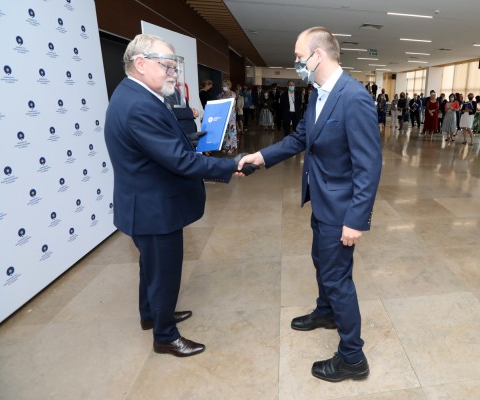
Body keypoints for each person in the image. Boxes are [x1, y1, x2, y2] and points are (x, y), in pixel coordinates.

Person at [237, 26, 381, 383]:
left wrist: (356, 220)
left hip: (342, 209)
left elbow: (369, 165)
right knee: (321, 262)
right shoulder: (318, 93)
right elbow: (300, 138)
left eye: (300, 57)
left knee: (337, 277)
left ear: (319, 54)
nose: (297, 63)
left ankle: (352, 357)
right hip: (322, 200)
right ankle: (326, 311)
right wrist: (260, 156)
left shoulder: (354, 97)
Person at [104, 34, 257, 358]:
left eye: (175, 66)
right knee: (164, 272)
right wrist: (230, 166)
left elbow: (160, 146)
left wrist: (191, 138)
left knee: (152, 267)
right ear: (140, 64)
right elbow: (179, 161)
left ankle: (152, 315)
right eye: (167, 66)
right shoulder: (138, 105)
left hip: (145, 204)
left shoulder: (134, 94)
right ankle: (165, 335)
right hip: (154, 208)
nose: (173, 72)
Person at [217, 80, 238, 155]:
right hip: (223, 115)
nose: (223, 87)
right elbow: (218, 102)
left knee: (231, 131)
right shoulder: (221, 94)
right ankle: (226, 146)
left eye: (225, 86)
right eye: (223, 86)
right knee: (224, 132)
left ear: (229, 86)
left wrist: (222, 100)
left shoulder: (232, 94)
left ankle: (231, 147)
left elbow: (231, 104)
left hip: (230, 116)